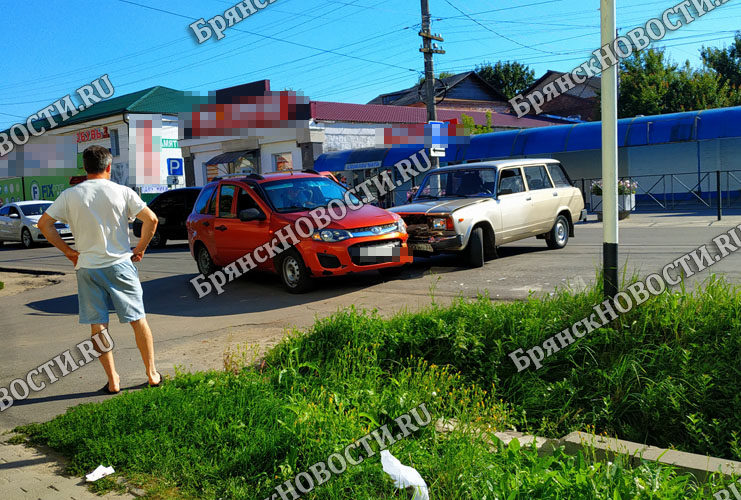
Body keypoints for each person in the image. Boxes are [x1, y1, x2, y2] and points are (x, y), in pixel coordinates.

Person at [38, 145, 162, 394]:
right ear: (109, 166)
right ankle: (151, 374)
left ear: (84, 168)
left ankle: (113, 380)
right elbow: (152, 219)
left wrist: (69, 252)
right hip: (120, 265)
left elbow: (44, 224)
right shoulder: (122, 191)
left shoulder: (70, 195)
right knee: (138, 319)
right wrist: (140, 249)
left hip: (87, 268)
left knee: (98, 325)